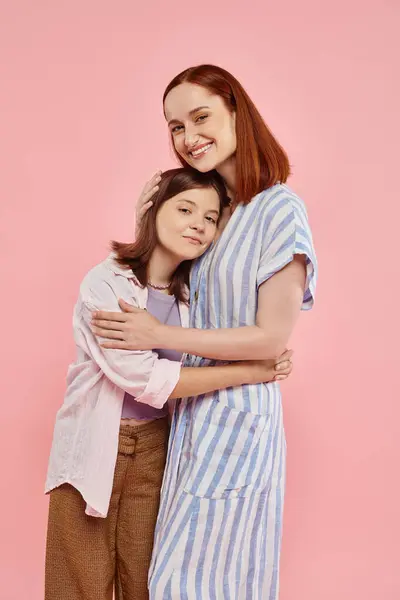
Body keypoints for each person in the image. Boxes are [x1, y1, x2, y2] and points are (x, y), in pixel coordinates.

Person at [92, 64, 318, 599]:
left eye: (201, 117)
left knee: (206, 583)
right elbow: (171, 284)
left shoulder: (280, 210)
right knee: (173, 581)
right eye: (175, 126)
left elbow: (268, 337)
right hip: (189, 417)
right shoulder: (216, 213)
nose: (188, 138)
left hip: (239, 421)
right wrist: (147, 214)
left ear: (237, 112)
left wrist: (153, 336)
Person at [44, 167, 293, 600]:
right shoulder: (105, 283)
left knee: (151, 584)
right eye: (184, 208)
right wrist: (255, 370)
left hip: (159, 451)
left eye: (211, 218)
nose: (198, 223)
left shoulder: (194, 296)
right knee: (78, 586)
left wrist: (262, 347)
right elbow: (145, 379)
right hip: (92, 449)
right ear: (153, 211)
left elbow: (218, 343)